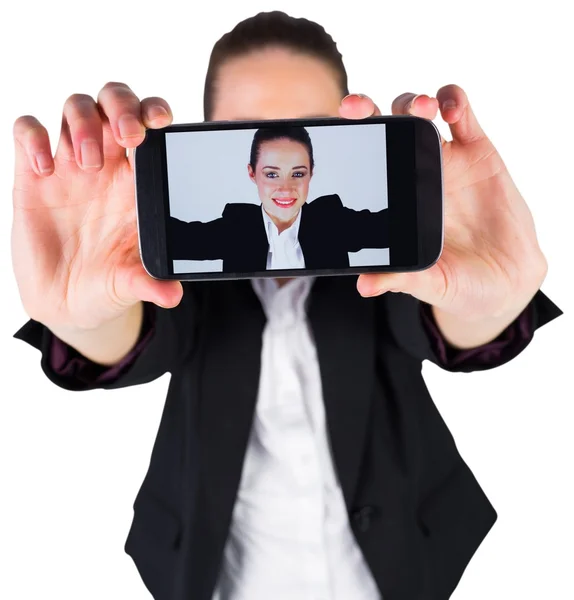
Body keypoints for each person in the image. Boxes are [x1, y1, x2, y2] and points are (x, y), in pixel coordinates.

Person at [11, 10, 562, 600]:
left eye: (307, 136)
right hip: (221, 576)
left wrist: (497, 300)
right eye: (256, 143)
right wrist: (73, 315)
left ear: (326, 156)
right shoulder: (200, 243)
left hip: (394, 565)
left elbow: (438, 324)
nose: (283, 179)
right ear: (238, 161)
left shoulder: (364, 239)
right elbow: (138, 338)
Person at [168, 125, 388, 272]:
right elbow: (175, 240)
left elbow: (398, 227)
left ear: (311, 173)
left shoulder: (332, 220)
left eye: (298, 174)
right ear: (252, 173)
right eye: (272, 174)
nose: (286, 188)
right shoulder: (236, 226)